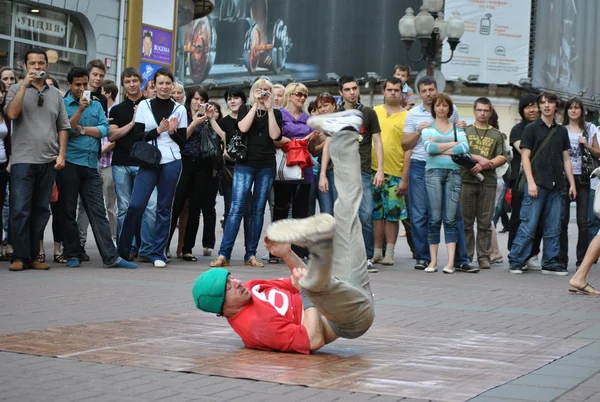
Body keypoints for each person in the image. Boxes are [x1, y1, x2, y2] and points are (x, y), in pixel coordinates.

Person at [192, 109, 375, 353]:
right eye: (228, 287)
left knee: (347, 212)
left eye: (230, 278)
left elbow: (297, 279)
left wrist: (287, 254)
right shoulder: (255, 328)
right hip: (347, 320)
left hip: (345, 287)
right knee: (313, 284)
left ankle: (345, 134)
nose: (235, 282)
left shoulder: (255, 287)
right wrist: (309, 294)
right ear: (221, 305)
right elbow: (313, 340)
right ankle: (320, 245)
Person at [58, 67, 137, 269]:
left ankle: (111, 257)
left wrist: (83, 129)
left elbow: (104, 130)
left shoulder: (96, 104)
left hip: (91, 164)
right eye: (78, 85)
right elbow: (66, 129)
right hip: (70, 163)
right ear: (69, 85)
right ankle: (73, 253)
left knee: (98, 212)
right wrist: (80, 110)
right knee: (68, 211)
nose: (82, 88)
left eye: (85, 84)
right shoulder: (64, 104)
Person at [401, 76, 477, 273]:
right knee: (420, 214)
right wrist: (418, 133)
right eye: (424, 90)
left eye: (431, 89)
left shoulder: (451, 111)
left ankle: (460, 259)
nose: (428, 93)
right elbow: (405, 144)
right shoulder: (413, 115)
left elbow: (461, 141)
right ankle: (424, 258)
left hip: (449, 166)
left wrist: (446, 146)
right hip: (420, 164)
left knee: (454, 215)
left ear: (437, 89)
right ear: (419, 93)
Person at [3, 48, 70, 271]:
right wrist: (24, 85)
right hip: (23, 159)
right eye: (32, 63)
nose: (37, 67)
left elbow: (62, 126)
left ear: (47, 66)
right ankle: (19, 257)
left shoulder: (55, 95)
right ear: (25, 66)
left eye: (41, 63)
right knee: (20, 208)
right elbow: (12, 114)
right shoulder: (15, 88)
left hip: (48, 160)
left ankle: (33, 256)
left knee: (41, 210)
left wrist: (61, 154)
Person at [117, 68, 187, 268]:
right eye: (161, 83)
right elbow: (137, 135)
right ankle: (123, 250)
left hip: (171, 161)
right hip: (149, 161)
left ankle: (158, 253)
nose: (164, 87)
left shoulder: (179, 109)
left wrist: (172, 132)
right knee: (136, 204)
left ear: (172, 86)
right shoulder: (144, 105)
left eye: (168, 83)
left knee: (164, 208)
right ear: (154, 85)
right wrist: (157, 131)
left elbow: (183, 143)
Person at [210, 77, 282, 268]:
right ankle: (224, 253)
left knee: (258, 210)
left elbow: (275, 135)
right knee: (236, 208)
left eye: (268, 89)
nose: (264, 92)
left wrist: (268, 109)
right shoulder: (244, 109)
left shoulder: (276, 113)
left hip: (266, 165)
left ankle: (251, 254)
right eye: (260, 89)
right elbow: (242, 128)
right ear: (254, 91)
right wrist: (255, 105)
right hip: (245, 164)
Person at [508, 92, 576, 275]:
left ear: (556, 106)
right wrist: (531, 182)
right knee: (528, 223)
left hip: (557, 185)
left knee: (554, 226)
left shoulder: (562, 131)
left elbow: (566, 159)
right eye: (543, 103)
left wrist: (572, 183)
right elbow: (525, 157)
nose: (546, 106)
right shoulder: (530, 128)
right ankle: (516, 259)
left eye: (550, 102)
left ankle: (550, 262)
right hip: (537, 183)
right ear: (539, 106)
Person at [168, 86, 224, 261]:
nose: (198, 102)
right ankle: (163, 246)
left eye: (202, 100)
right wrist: (194, 123)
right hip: (184, 163)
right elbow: (181, 139)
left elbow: (221, 137)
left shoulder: (208, 118)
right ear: (189, 99)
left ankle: (187, 249)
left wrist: (210, 118)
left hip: (203, 165)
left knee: (195, 208)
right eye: (196, 99)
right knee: (176, 206)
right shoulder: (182, 114)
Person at [108, 67, 157, 262]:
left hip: (144, 163)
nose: (131, 84)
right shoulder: (117, 109)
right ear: (123, 85)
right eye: (127, 81)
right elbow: (112, 135)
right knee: (124, 208)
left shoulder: (150, 105)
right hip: (121, 163)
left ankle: (146, 249)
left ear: (140, 82)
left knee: (150, 206)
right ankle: (126, 248)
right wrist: (132, 122)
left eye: (134, 80)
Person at [337, 75, 383, 273]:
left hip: (362, 171)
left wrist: (379, 169)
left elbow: (378, 141)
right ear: (341, 92)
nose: (352, 92)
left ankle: (366, 257)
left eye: (354, 88)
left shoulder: (368, 113)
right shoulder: (336, 114)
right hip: (340, 173)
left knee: (365, 214)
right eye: (347, 89)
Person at [270, 82, 318, 263]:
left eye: (305, 95)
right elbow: (274, 138)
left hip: (304, 166)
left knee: (301, 211)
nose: (302, 98)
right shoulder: (280, 114)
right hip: (286, 165)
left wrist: (315, 138)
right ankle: (275, 251)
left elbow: (312, 147)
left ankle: (299, 251)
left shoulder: (308, 117)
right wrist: (300, 140)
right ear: (289, 95)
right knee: (280, 209)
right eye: (298, 94)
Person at [422, 93, 470, 273]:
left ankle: (450, 262)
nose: (441, 108)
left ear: (450, 108)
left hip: (454, 173)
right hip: (432, 173)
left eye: (445, 105)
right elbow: (429, 149)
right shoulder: (428, 127)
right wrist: (452, 144)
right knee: (434, 218)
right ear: (433, 108)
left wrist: (440, 148)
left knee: (450, 219)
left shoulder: (457, 127)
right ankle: (433, 261)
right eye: (438, 105)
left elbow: (465, 148)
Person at [460, 97, 506, 269]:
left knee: (485, 222)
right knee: (466, 221)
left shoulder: (497, 134)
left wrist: (487, 164)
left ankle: (484, 256)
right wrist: (478, 162)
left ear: (490, 112)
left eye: (486, 110)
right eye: (479, 110)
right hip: (467, 179)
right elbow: (459, 152)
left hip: (488, 182)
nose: (482, 113)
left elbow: (502, 156)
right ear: (474, 111)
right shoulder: (466, 131)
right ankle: (466, 256)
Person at [371, 77, 409, 267]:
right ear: (383, 91)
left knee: (392, 214)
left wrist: (404, 178)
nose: (393, 93)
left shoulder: (406, 116)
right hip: (373, 170)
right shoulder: (374, 112)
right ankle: (377, 251)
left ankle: (390, 253)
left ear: (401, 92)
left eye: (396, 90)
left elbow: (409, 149)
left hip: (396, 171)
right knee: (376, 213)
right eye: (389, 89)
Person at [560, 97, 599, 268]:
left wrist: (587, 145)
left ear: (582, 111)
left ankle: (581, 260)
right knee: (562, 220)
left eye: (577, 108)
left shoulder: (589, 128)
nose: (574, 111)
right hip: (564, 176)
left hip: (583, 178)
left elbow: (598, 153)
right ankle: (561, 260)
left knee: (584, 222)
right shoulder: (561, 130)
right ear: (566, 110)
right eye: (571, 108)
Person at [508, 94, 543, 269]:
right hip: (521, 181)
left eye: (535, 106)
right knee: (518, 218)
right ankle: (514, 253)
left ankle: (532, 254)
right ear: (522, 110)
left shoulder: (546, 128)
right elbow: (524, 150)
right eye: (528, 107)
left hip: (543, 180)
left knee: (538, 219)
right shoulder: (518, 129)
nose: (532, 110)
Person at [217, 87, 252, 234]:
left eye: (235, 98)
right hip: (230, 170)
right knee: (230, 207)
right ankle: (226, 248)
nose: (232, 101)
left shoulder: (250, 118)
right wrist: (224, 153)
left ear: (243, 100)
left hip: (250, 167)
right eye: (229, 98)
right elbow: (220, 143)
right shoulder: (224, 122)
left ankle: (249, 249)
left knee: (249, 210)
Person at [314, 93, 338, 215]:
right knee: (326, 212)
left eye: (326, 105)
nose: (323, 109)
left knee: (339, 212)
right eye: (320, 107)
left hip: (339, 171)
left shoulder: (342, 122)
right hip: (323, 170)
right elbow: (314, 150)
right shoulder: (318, 126)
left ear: (334, 105)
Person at [0, 80, 11, 262]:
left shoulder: (6, 115)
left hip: (3, 166)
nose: (1, 95)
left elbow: (10, 140)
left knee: (1, 208)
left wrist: (9, 164)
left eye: (2, 92)